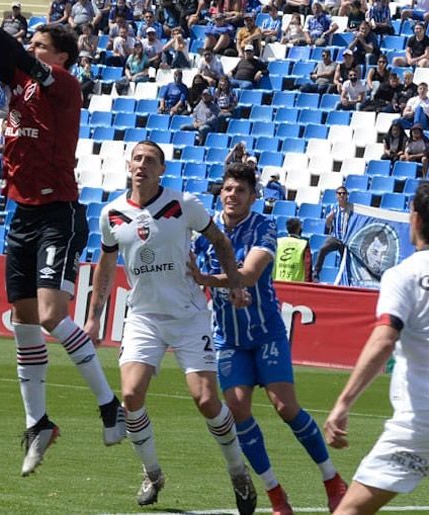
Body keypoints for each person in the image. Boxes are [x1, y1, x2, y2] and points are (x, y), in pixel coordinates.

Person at [0, 0, 125, 475]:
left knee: (48, 316)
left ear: (60, 55)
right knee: (22, 323)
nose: (32, 51)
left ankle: (109, 405)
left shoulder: (64, 85)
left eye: (41, 45)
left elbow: (8, 49)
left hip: (58, 212)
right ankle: (38, 422)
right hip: (22, 215)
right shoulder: (19, 83)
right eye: (33, 44)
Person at [84, 141, 256, 512]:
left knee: (207, 400)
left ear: (162, 170)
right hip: (144, 316)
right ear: (128, 166)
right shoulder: (111, 213)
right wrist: (95, 316)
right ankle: (153, 473)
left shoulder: (183, 204)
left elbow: (220, 241)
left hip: (188, 315)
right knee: (130, 396)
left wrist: (236, 283)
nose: (142, 165)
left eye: (150, 160)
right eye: (137, 159)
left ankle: (238, 472)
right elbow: (107, 265)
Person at [191, 163, 348, 515]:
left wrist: (209, 278)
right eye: (228, 189)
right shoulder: (203, 233)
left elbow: (248, 275)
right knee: (238, 409)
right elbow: (192, 276)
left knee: (285, 407)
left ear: (253, 196)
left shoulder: (263, 226)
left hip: (266, 333)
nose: (232, 195)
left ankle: (331, 480)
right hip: (228, 337)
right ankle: (276, 496)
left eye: (240, 191)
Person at [323, 181, 429, 513]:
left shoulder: (405, 275)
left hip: (420, 423)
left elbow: (384, 338)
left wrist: (343, 403)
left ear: (414, 218)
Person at [314, 187, 352, 281]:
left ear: (347, 195)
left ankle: (346, 279)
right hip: (335, 237)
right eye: (339, 193)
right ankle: (315, 274)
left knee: (346, 260)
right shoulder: (333, 207)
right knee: (322, 249)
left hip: (346, 239)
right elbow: (328, 225)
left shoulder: (351, 208)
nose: (341, 195)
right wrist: (328, 219)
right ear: (336, 195)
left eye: (343, 193)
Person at [274, 218, 313, 283]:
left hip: (277, 283)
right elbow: (308, 266)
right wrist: (308, 283)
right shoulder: (303, 244)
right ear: (298, 228)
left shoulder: (278, 242)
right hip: (296, 286)